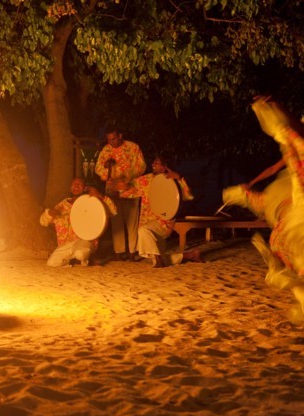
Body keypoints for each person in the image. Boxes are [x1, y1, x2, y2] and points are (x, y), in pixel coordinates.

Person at [222, 96, 304, 322]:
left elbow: (297, 132)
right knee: (284, 239)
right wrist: (251, 182)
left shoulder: (298, 143)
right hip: (297, 201)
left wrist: (280, 108)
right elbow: (274, 167)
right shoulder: (292, 151)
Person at [119, 155, 202, 267]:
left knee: (143, 231)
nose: (153, 164)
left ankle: (159, 262)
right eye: (153, 162)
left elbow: (189, 196)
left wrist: (179, 177)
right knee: (157, 255)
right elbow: (128, 190)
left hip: (164, 222)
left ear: (164, 167)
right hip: (148, 222)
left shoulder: (174, 180)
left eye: (156, 163)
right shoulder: (147, 180)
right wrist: (124, 186)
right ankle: (191, 255)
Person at [94, 126, 147, 262]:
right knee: (116, 221)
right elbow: (98, 168)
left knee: (132, 222)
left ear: (120, 135)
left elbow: (141, 166)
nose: (111, 142)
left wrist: (126, 176)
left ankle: (132, 252)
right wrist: (107, 171)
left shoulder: (133, 147)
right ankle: (119, 252)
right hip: (113, 190)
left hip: (130, 189)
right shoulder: (106, 150)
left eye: (114, 138)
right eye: (109, 139)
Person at [40, 177, 117, 267]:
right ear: (70, 187)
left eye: (79, 184)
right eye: (74, 184)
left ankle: (87, 257)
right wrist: (48, 214)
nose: (76, 186)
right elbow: (43, 222)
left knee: (80, 253)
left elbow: (113, 210)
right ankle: (72, 260)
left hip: (85, 241)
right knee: (52, 263)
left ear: (85, 188)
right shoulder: (64, 204)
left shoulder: (91, 201)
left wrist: (100, 195)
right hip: (66, 244)